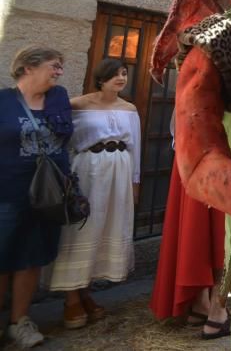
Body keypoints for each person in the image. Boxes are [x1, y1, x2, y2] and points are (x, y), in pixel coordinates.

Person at [45, 59, 141, 329]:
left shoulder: (129, 108)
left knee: (105, 229)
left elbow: (136, 148)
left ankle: (85, 291)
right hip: (89, 169)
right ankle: (70, 297)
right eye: (115, 74)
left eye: (124, 73)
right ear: (101, 78)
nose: (121, 78)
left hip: (119, 172)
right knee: (81, 228)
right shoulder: (78, 104)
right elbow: (57, 128)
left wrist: (135, 183)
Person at [0, 47, 74, 349]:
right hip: (7, 191)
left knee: (32, 259)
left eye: (60, 67)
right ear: (29, 67)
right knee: (2, 259)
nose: (58, 72)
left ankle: (20, 322)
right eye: (53, 66)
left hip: (49, 195)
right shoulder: (4, 101)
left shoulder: (58, 98)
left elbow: (67, 133)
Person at [149, 113, 230, 340]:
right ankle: (218, 311)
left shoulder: (186, 77)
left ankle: (200, 304)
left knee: (200, 229)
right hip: (217, 151)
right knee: (225, 233)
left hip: (194, 150)